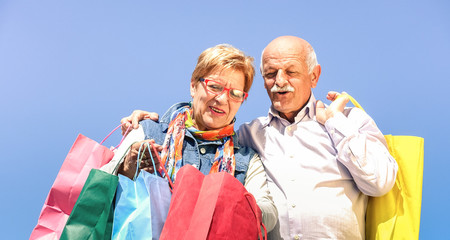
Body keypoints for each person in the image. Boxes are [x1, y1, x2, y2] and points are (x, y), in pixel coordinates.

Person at [122, 36, 398, 239]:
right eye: (270, 74)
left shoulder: (349, 121)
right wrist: (160, 121)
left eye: (291, 71)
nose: (279, 81)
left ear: (314, 76)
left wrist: (335, 122)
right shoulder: (248, 136)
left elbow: (379, 182)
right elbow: (205, 130)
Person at [102, 44, 278, 233]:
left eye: (235, 94)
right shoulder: (147, 131)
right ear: (193, 86)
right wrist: (126, 168)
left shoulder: (246, 159)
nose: (222, 99)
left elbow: (268, 214)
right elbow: (96, 189)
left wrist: (229, 200)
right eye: (215, 86)